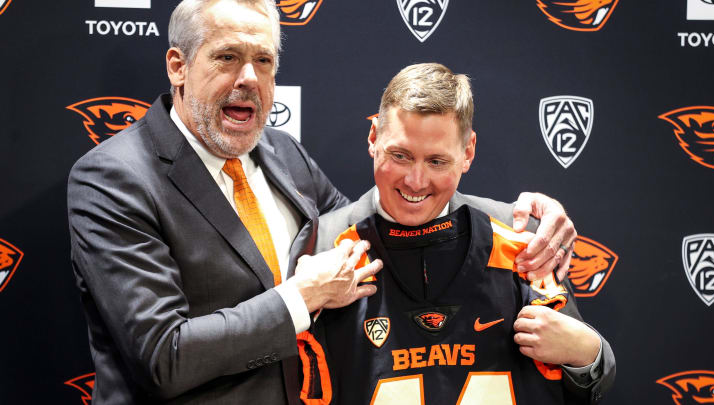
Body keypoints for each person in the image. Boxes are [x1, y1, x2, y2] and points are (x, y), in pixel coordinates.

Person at [67, 1, 580, 403]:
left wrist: (516, 214)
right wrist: (302, 297)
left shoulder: (280, 153)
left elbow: (384, 221)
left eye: (263, 60)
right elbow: (163, 357)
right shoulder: (112, 178)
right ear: (178, 65)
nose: (248, 77)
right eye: (227, 57)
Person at [304, 63, 615, 404]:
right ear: (373, 137)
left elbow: (592, 378)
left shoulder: (520, 240)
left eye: (436, 162)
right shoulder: (319, 244)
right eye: (400, 155)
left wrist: (588, 352)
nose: (415, 181)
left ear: (467, 153)